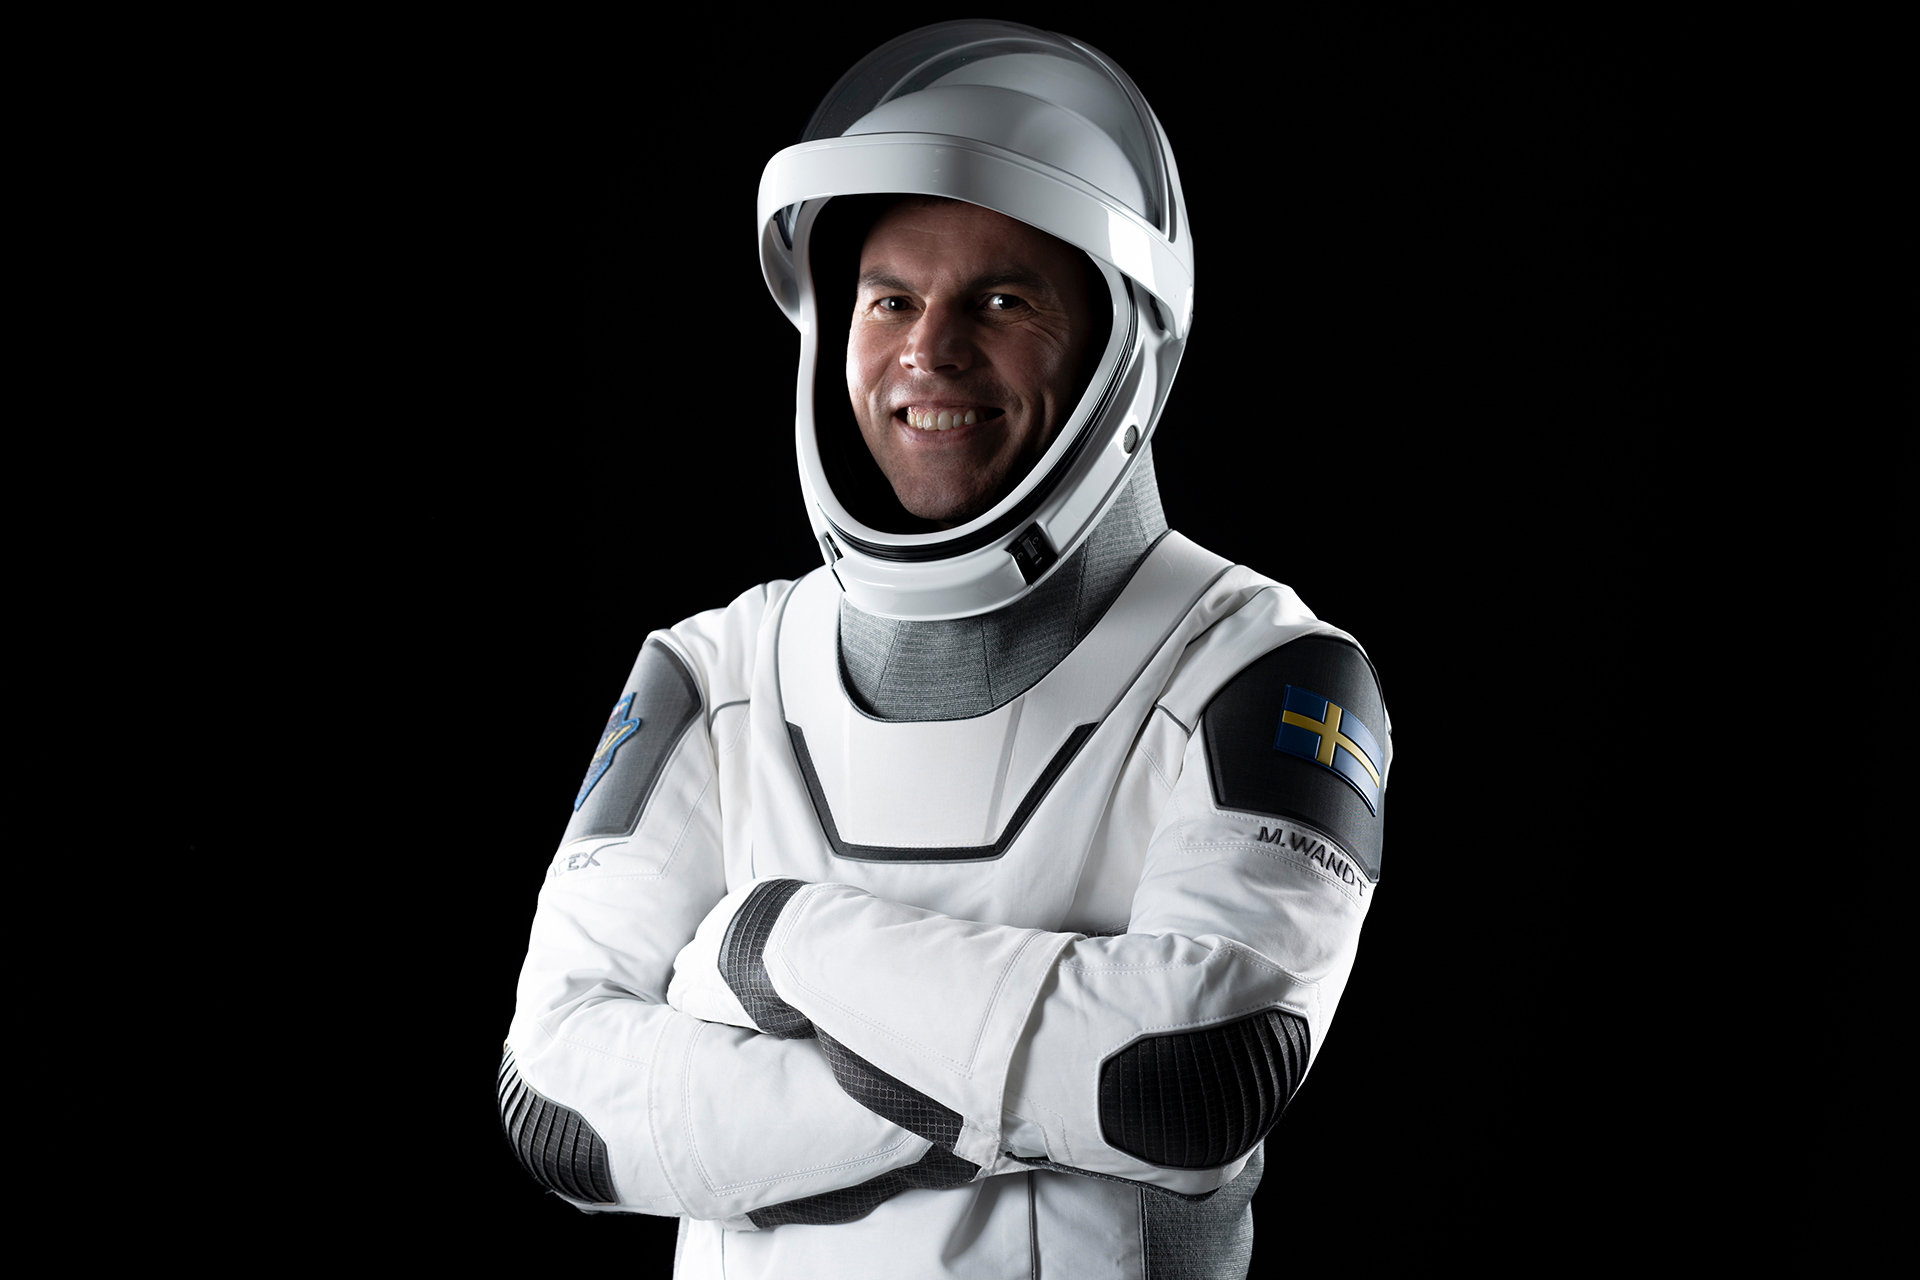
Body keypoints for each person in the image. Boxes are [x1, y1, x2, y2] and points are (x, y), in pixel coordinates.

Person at [499, 20, 1390, 1278]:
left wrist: (766, 941)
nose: (930, 350)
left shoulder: (1260, 670)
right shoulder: (714, 672)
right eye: (891, 300)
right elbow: (559, 1099)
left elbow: (1190, 1073)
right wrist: (1025, 1092)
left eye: (1002, 300)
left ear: (1123, 347)